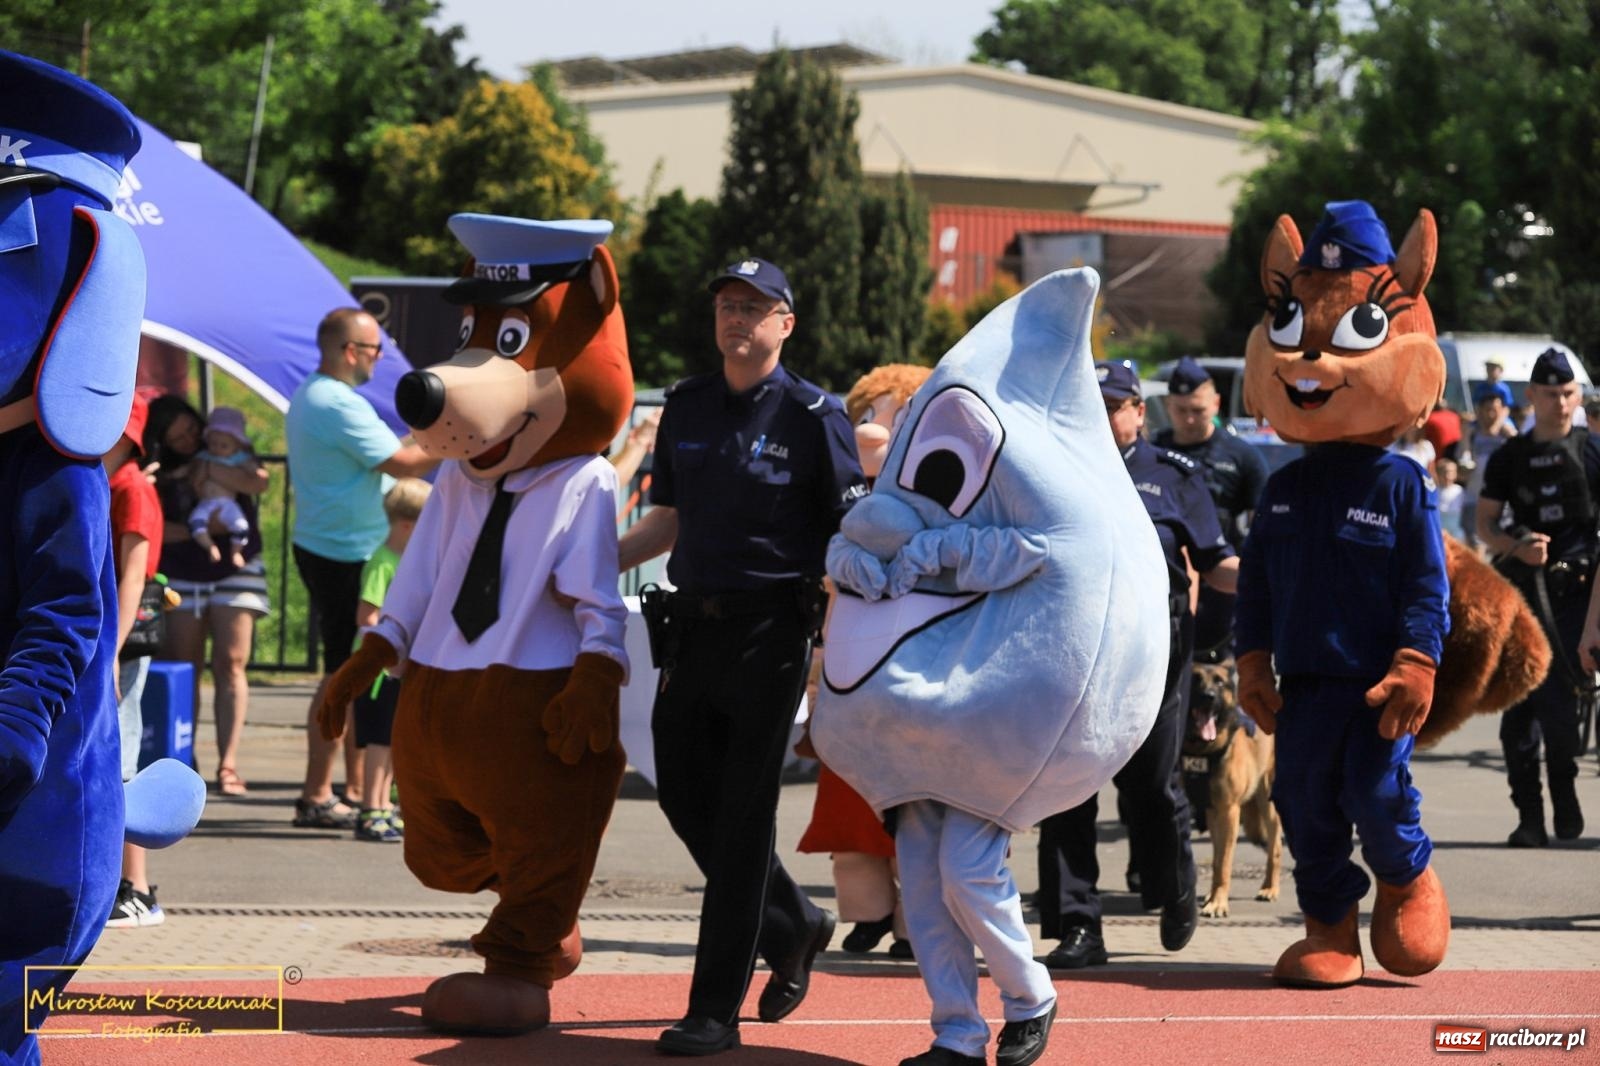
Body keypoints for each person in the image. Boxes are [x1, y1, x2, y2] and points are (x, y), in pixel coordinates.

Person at [617, 257, 867, 1057]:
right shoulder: (687, 405)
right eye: (727, 304)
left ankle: (712, 1011)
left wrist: (836, 649)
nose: (737, 318)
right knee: (686, 797)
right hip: (690, 631)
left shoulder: (812, 414)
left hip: (770, 637)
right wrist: (585, 563)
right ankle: (794, 921)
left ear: (786, 323)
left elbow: (850, 539)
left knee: (742, 821)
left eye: (755, 307)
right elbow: (667, 523)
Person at [1035, 361, 1237, 970]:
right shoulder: (1055, 469)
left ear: (1137, 413)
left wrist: (1269, 600)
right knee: (1066, 787)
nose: (1103, 414)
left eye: (1115, 404)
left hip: (1153, 648)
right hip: (1073, 644)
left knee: (1149, 783)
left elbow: (1216, 558)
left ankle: (1174, 888)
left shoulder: (1172, 476)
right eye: (1091, 403)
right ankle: (1077, 925)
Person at [285, 307, 436, 829]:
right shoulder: (334, 402)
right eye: (375, 349)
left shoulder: (317, 394)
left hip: (333, 547)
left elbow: (392, 454)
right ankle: (318, 793)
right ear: (352, 351)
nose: (378, 358)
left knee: (350, 673)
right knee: (343, 676)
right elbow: (405, 463)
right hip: (344, 554)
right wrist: (461, 432)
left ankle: (341, 790)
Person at [1478, 348, 1596, 847]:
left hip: (1578, 598)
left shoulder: (1593, 453)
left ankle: (1564, 793)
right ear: (1531, 396)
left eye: (1568, 393)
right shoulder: (1510, 457)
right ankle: (1529, 816)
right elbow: (1484, 524)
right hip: (1522, 595)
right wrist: (1514, 547)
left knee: (1560, 711)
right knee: (1518, 713)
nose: (1561, 403)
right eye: (1551, 394)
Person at [144, 394, 271, 798]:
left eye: (190, 427)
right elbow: (160, 526)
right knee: (184, 665)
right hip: (181, 572)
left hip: (236, 568)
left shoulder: (222, 447)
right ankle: (182, 758)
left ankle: (228, 762)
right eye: (177, 435)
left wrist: (209, 466)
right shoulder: (154, 470)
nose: (188, 437)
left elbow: (259, 481)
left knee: (232, 662)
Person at [1153, 355, 1268, 659]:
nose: (1189, 419)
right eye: (1181, 410)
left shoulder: (1242, 457)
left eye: (1198, 410)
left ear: (1216, 404)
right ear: (1168, 406)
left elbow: (1264, 527)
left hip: (1222, 585)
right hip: (1164, 585)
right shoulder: (1152, 454)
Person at [104, 394, 167, 928]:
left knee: (121, 758)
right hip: (107, 641)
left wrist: (113, 651)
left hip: (121, 642)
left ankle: (138, 889)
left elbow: (134, 575)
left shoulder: (131, 488)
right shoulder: (105, 483)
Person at [349, 478, 431, 843]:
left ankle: (383, 806)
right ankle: (371, 809)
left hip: (397, 668)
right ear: (407, 526)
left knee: (392, 740)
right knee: (380, 742)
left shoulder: (405, 562)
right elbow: (368, 616)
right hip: (380, 669)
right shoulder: (384, 563)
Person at [186, 406, 255, 569]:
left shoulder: (239, 459)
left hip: (228, 504)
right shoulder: (203, 457)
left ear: (236, 446)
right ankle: (210, 546)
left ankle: (236, 551)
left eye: (224, 446)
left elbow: (257, 475)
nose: (217, 449)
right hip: (206, 502)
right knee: (196, 521)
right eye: (213, 444)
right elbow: (190, 475)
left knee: (241, 526)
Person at [1460, 381, 1517, 551]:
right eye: (1488, 410)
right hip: (1473, 497)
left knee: (1499, 546)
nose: (1491, 414)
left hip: (1501, 500)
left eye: (1496, 410)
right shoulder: (1472, 432)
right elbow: (1461, 462)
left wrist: (1510, 435)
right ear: (1480, 411)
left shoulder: (1507, 432)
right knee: (1474, 546)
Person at [1434, 457, 1465, 539]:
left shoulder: (1459, 490)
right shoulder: (1434, 490)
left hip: (1455, 528)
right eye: (1444, 472)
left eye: (1451, 472)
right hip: (1440, 526)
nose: (1448, 476)